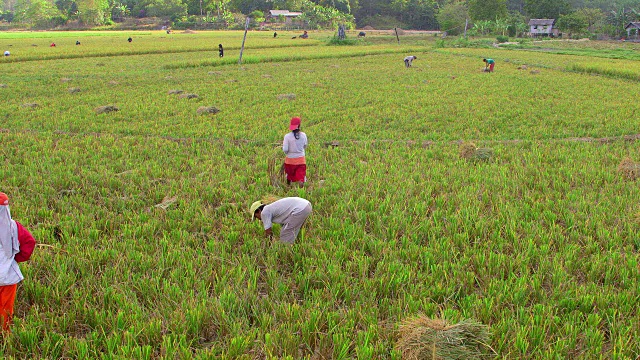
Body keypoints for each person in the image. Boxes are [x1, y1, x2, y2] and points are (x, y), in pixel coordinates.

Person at [0, 192, 35, 332]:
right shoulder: (15, 227)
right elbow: (29, 243)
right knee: (6, 307)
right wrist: (16, 259)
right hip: (8, 277)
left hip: (8, 277)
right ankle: (5, 332)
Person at [283, 117, 308, 187]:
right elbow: (305, 146)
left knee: (289, 175)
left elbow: (285, 149)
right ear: (299, 125)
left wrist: (288, 153)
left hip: (289, 160)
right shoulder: (304, 135)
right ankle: (301, 191)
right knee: (301, 177)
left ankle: (288, 188)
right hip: (301, 160)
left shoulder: (287, 137)